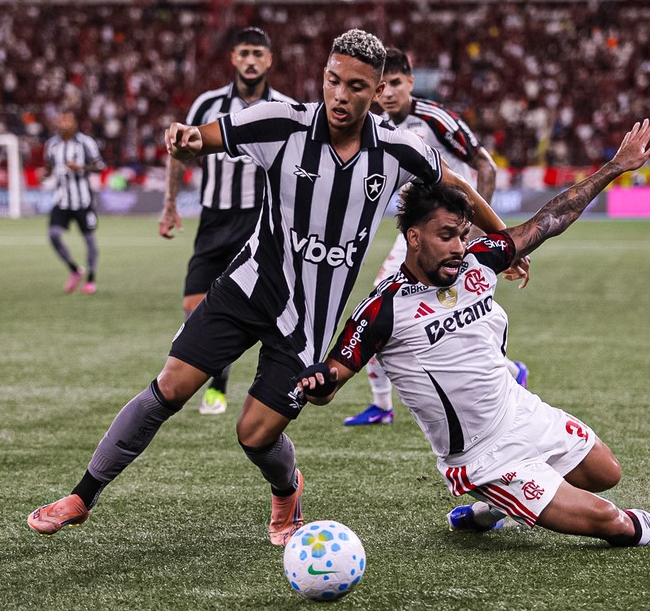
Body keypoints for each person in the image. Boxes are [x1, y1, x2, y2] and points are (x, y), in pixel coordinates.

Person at [27, 29, 527, 546]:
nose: (340, 95)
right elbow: (207, 137)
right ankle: (82, 497)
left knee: (255, 434)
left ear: (377, 91)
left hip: (310, 319)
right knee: (170, 387)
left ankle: (287, 489)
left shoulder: (400, 149)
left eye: (356, 86)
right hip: (248, 287)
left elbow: (458, 189)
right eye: (333, 80)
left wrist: (504, 244)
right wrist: (187, 137)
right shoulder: (281, 124)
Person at [294, 120, 650, 548]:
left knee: (607, 474)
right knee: (611, 522)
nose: (459, 247)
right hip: (481, 457)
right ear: (413, 238)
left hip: (521, 412)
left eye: (462, 234)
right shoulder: (381, 309)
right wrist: (319, 383)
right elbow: (332, 377)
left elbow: (550, 219)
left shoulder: (478, 261)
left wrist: (614, 167)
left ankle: (487, 512)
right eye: (446, 236)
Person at [344, 47, 527, 427]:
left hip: (450, 229)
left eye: (397, 83)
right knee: (386, 305)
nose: (390, 92)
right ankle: (382, 404)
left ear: (410, 81)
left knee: (442, 309)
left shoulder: (434, 118)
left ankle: (507, 373)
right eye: (383, 86)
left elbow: (485, 166)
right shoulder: (377, 126)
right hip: (415, 229)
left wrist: (476, 230)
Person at [159, 27, 296, 416]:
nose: (251, 60)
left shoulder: (285, 108)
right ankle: (216, 377)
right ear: (233, 59)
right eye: (244, 53)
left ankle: (220, 389)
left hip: (260, 221)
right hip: (213, 220)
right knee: (193, 306)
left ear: (269, 60)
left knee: (251, 306)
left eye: (258, 54)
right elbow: (180, 153)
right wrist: (170, 204)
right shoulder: (208, 103)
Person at [41, 111, 106, 294]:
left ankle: (91, 279)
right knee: (53, 235)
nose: (63, 123)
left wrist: (82, 168)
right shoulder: (52, 144)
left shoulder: (85, 142)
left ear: (74, 123)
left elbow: (100, 166)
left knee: (90, 241)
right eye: (61, 119)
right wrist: (44, 174)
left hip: (83, 201)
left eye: (67, 119)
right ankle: (75, 270)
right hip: (61, 200)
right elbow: (48, 168)